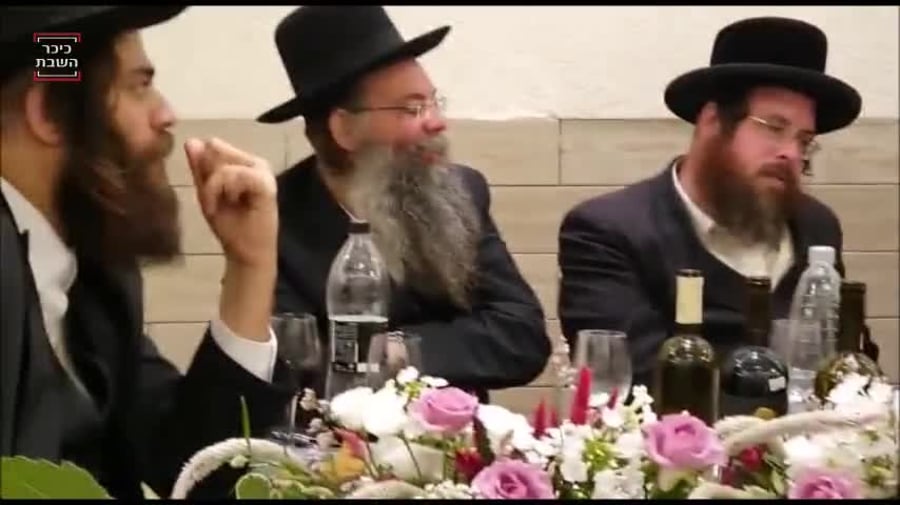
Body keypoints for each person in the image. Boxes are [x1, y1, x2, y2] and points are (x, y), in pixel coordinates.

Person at [1, 7, 294, 499]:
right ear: (49, 111)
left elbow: (195, 472)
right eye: (140, 86)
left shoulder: (98, 279)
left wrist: (251, 265)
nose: (166, 114)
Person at [557, 16, 879, 389]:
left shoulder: (816, 224)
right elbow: (637, 382)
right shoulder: (609, 231)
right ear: (712, 122)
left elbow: (851, 360)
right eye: (774, 128)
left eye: (804, 140)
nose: (791, 153)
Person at [259, 6, 551, 403]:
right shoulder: (271, 219)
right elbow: (293, 366)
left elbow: (521, 336)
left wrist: (397, 351)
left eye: (434, 102)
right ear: (344, 129)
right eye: (412, 109)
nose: (437, 122)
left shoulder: (461, 190)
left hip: (453, 432)